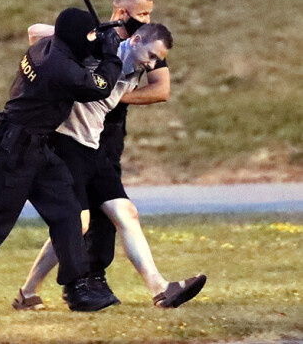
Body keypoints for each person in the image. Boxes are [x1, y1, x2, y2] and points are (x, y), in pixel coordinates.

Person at [0, 8, 123, 315]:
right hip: (14, 153)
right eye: (87, 36)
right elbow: (97, 87)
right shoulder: (58, 67)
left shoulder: (46, 47)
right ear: (76, 38)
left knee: (67, 213)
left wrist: (96, 39)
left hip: (39, 149)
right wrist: (111, 56)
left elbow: (77, 48)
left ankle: (78, 290)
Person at [15, 22, 206, 310]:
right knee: (77, 225)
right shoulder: (100, 49)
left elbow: (158, 90)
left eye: (157, 60)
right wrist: (90, 34)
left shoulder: (134, 69)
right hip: (65, 144)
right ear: (136, 39)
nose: (152, 64)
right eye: (151, 56)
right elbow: (34, 32)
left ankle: (161, 289)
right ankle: (28, 293)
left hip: (93, 147)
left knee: (126, 213)